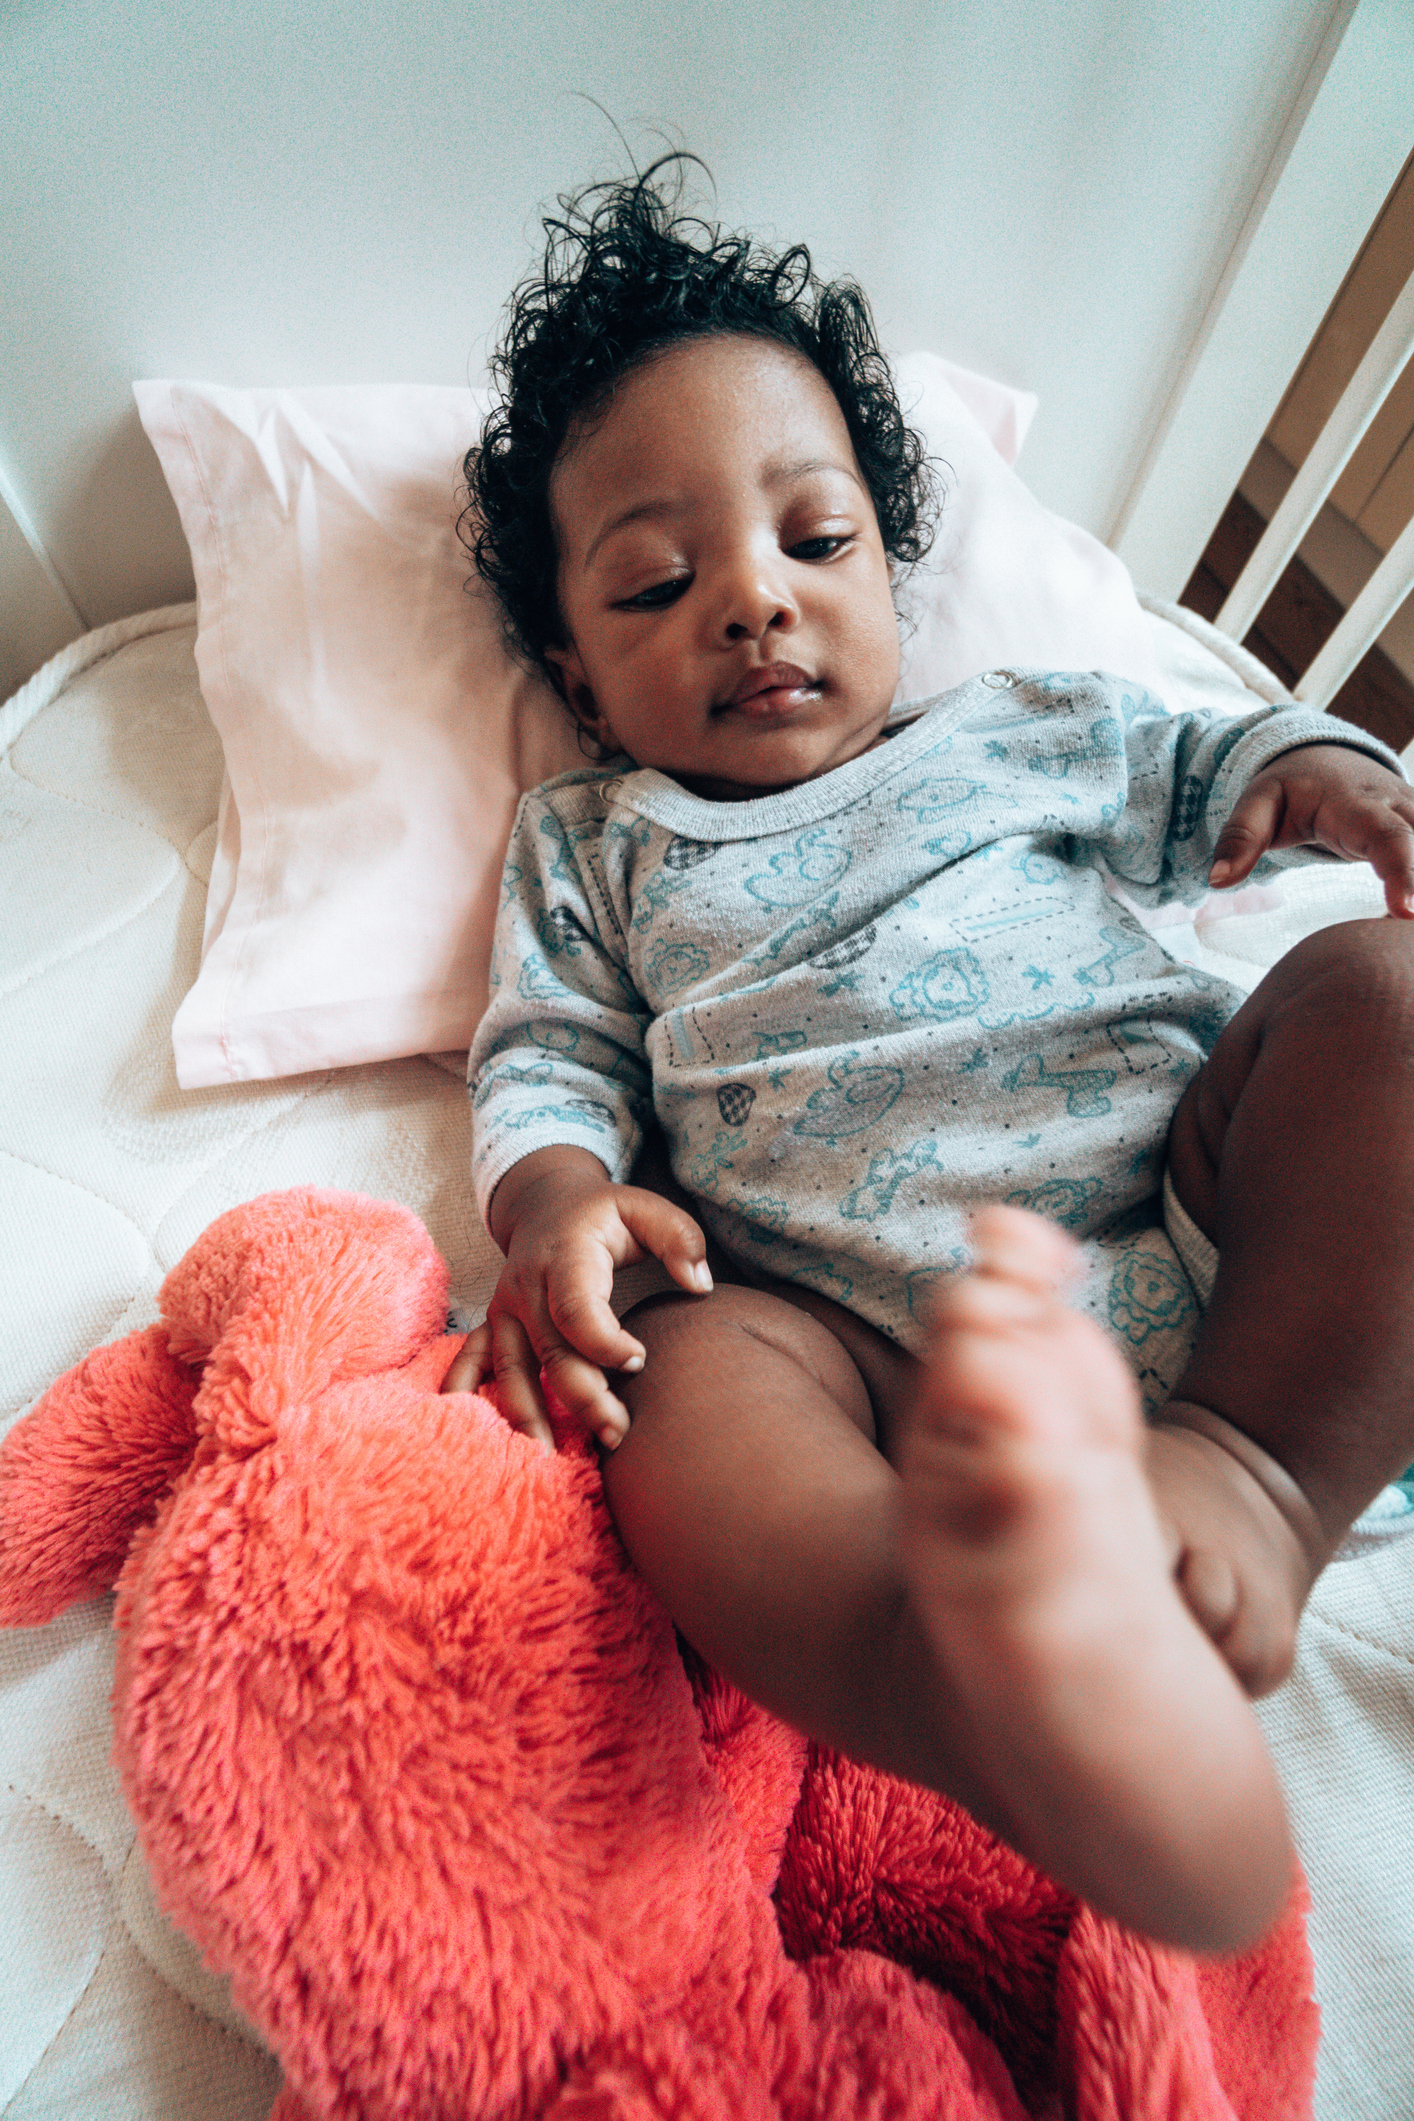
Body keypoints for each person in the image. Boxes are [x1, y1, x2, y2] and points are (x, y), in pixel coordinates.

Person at [443, 163, 1414, 1953]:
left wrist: (1319, 762)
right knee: (677, 1360)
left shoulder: (1019, 727)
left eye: (813, 543)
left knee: (1380, 995)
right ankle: (939, 1657)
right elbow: (551, 1052)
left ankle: (1260, 1477)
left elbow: (1214, 768)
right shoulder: (595, 840)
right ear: (579, 680)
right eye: (658, 584)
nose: (751, 601)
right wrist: (560, 1202)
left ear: (891, 575)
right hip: (868, 1351)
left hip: (1189, 1215)